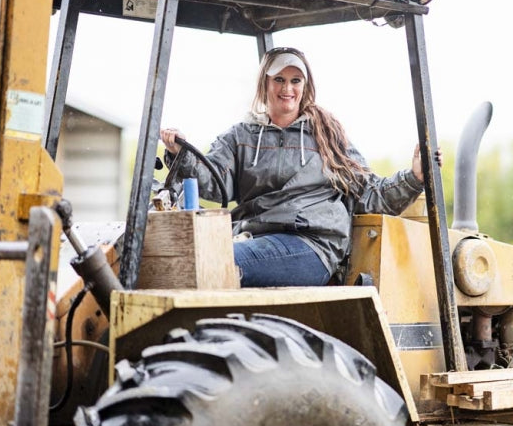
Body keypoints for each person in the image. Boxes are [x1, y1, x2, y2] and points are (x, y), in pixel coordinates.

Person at [160, 47, 440, 287]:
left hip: (310, 244)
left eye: (295, 81)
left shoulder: (326, 136)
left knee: (213, 260)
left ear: (305, 86)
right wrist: (181, 154)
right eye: (279, 80)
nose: (287, 89)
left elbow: (368, 193)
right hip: (252, 236)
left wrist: (414, 177)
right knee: (177, 254)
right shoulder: (241, 136)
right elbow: (213, 181)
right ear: (265, 83)